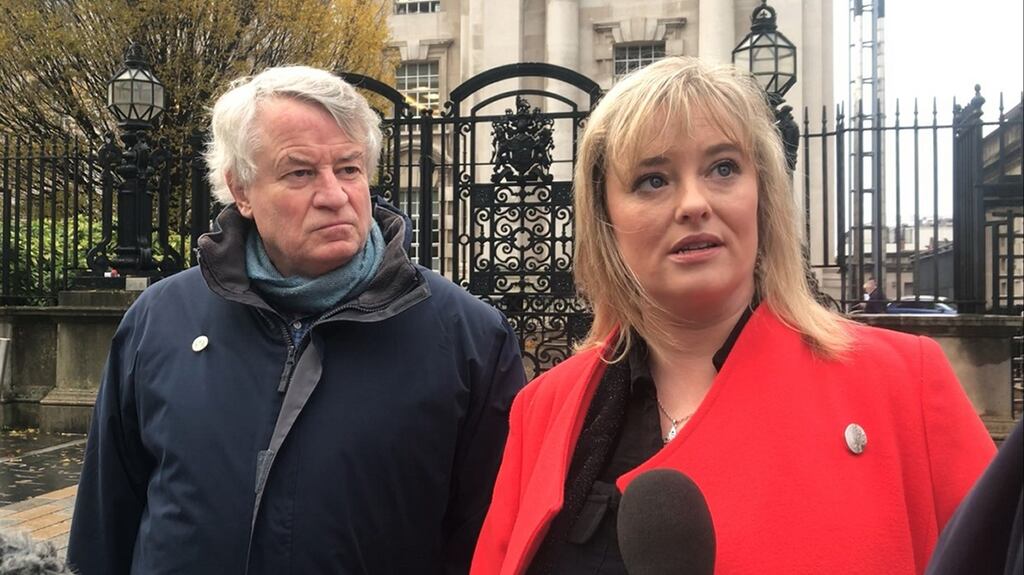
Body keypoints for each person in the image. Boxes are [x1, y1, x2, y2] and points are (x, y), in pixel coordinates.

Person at [470, 57, 995, 575]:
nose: (694, 203)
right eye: (653, 180)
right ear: (606, 219)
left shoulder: (903, 383)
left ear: (762, 196)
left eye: (723, 168)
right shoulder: (541, 410)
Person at [67, 66, 526, 575]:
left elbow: (490, 543)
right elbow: (105, 526)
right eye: (300, 172)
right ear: (240, 189)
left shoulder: (468, 336)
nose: (334, 195)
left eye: (350, 169)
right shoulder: (158, 321)